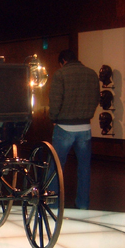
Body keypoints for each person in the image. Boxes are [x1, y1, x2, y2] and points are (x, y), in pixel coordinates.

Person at [48, 49, 100, 210]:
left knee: (56, 166)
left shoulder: (60, 74)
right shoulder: (92, 74)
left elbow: (55, 100)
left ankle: (54, 204)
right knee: (84, 168)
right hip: (85, 127)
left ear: (63, 61)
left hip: (64, 127)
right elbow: (96, 98)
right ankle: (83, 204)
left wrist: (54, 118)